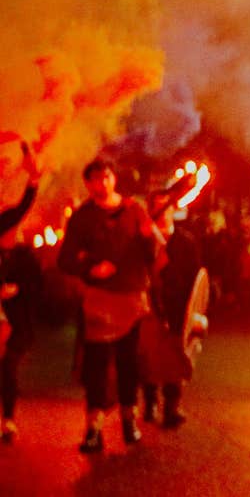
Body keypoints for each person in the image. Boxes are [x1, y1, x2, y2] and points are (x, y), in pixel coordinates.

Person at [59, 158, 164, 454]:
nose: (102, 182)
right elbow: (65, 259)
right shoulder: (82, 218)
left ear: (113, 179)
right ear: (88, 183)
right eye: (95, 179)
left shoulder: (136, 211)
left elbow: (152, 254)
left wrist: (147, 239)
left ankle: (130, 421)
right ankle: (93, 427)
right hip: (99, 301)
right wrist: (91, 268)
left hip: (131, 296)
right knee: (96, 367)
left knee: (128, 363)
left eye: (106, 176)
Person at [139, 191, 203, 430]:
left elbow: (196, 276)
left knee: (175, 357)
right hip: (151, 305)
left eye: (166, 208)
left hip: (178, 308)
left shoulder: (185, 241)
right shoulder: (144, 241)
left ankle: (172, 406)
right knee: (149, 357)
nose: (163, 213)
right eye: (157, 208)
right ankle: (150, 401)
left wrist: (194, 307)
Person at [0, 140, 42, 443]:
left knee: (7, 368)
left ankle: (8, 420)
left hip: (13, 320)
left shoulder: (23, 256)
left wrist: (33, 177)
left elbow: (21, 208)